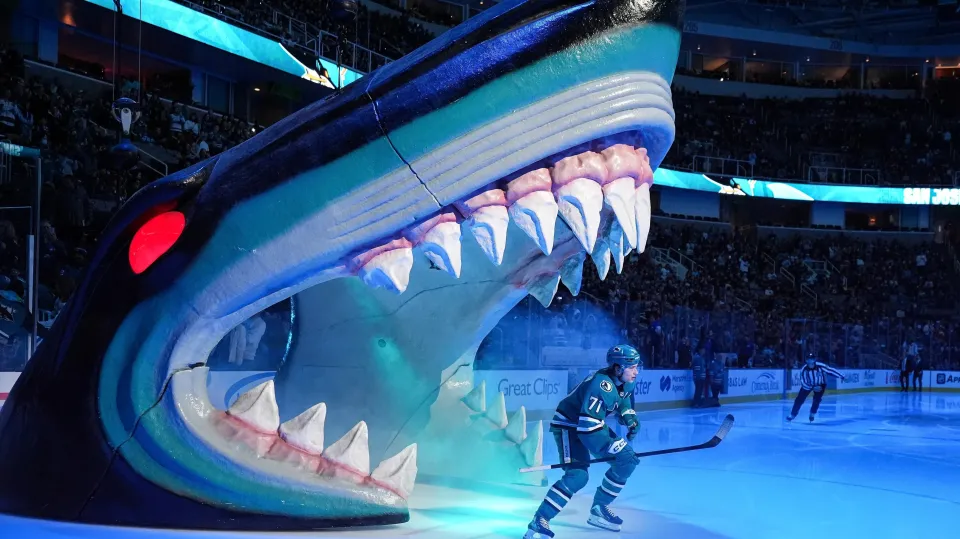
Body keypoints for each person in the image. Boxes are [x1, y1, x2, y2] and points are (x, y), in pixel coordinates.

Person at [524, 345, 642, 539]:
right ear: (618, 368)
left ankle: (599, 508)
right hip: (569, 425)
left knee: (627, 461)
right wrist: (610, 446)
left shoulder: (626, 381)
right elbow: (588, 429)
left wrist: (629, 416)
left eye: (637, 366)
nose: (636, 371)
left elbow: (623, 400)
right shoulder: (601, 385)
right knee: (577, 476)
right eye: (632, 367)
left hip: (590, 423)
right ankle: (540, 519)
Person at [787, 353, 845, 422]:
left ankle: (812, 413)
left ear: (814, 360)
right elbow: (803, 382)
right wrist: (813, 387)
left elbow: (830, 371)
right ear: (806, 360)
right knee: (799, 400)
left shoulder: (820, 366)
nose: (810, 361)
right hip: (808, 385)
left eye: (812, 359)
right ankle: (793, 414)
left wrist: (842, 376)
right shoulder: (804, 370)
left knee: (817, 399)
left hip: (820, 384)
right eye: (808, 359)